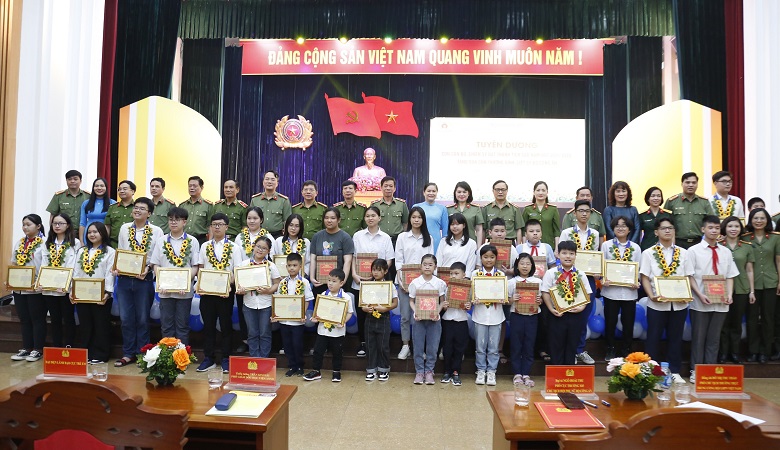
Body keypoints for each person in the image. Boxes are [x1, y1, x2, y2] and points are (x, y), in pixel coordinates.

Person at [639, 216, 695, 383]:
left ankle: (675, 371)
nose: (668, 231)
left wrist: (686, 295)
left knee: (676, 338)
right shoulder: (648, 253)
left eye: (670, 228)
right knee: (653, 338)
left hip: (679, 304)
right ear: (656, 232)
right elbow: (644, 277)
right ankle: (651, 370)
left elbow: (688, 276)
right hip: (656, 303)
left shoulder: (683, 253)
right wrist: (651, 296)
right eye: (664, 228)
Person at [688, 215, 739, 382]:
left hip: (721, 302)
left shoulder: (726, 252)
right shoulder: (693, 251)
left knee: (714, 338)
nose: (714, 231)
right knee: (699, 337)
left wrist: (729, 294)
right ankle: (696, 370)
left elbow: (730, 276)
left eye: (717, 228)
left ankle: (709, 370)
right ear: (703, 229)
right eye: (710, 228)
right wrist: (699, 294)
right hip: (700, 301)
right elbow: (689, 276)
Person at [113, 197, 164, 367]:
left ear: (149, 213)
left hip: (144, 278)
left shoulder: (156, 231)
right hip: (124, 279)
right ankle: (128, 353)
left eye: (142, 208)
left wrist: (148, 269)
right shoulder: (124, 228)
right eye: (135, 207)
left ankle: (143, 353)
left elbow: (156, 255)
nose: (137, 210)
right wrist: (118, 267)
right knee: (126, 318)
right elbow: (121, 250)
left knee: (142, 318)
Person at [196, 213, 242, 374]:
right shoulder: (204, 246)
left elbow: (236, 271)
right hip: (207, 293)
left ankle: (226, 358)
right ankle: (208, 358)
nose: (217, 227)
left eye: (220, 224)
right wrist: (201, 284)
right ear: (210, 227)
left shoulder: (234, 247)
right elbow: (201, 268)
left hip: (225, 293)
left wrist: (226, 285)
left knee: (225, 326)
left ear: (226, 227)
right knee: (208, 326)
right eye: (214, 224)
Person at [149, 207, 201, 345]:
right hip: (165, 292)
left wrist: (185, 283)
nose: (173, 222)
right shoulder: (161, 241)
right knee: (166, 326)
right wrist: (162, 282)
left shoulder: (192, 241)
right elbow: (155, 264)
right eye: (171, 219)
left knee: (182, 326)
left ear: (184, 222)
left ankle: (181, 354)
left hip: (184, 292)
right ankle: (167, 355)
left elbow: (195, 266)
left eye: (177, 219)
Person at [560, 199, 600, 365]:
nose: (584, 214)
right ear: (574, 213)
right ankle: (568, 350)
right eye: (581, 211)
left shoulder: (595, 234)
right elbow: (561, 254)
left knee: (584, 314)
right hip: (568, 276)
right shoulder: (567, 232)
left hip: (587, 278)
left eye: (587, 211)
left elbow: (595, 256)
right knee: (567, 313)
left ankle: (580, 350)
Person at [351, 206, 395, 357]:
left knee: (379, 312)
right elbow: (354, 257)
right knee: (363, 313)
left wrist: (378, 274)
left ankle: (380, 343)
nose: (370, 218)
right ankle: (363, 343)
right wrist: (354, 274)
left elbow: (389, 260)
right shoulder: (358, 236)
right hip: (360, 281)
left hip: (379, 283)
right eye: (368, 216)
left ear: (379, 218)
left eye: (373, 215)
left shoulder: (386, 238)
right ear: (364, 218)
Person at [541, 241, 593, 365]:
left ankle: (569, 372)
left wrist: (582, 308)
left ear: (575, 255)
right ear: (558, 255)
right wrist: (551, 309)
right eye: (564, 253)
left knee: (572, 345)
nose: (568, 256)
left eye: (571, 253)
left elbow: (587, 293)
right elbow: (545, 292)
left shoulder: (581, 274)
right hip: (556, 315)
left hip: (576, 315)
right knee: (556, 345)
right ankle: (556, 373)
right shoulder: (551, 273)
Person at [71, 222, 116, 364]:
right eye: (89, 232)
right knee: (85, 325)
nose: (92, 234)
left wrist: (107, 293)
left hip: (101, 295)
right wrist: (73, 290)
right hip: (83, 294)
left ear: (102, 233)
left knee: (100, 325)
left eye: (95, 232)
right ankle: (86, 353)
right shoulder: (82, 251)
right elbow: (76, 271)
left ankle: (101, 354)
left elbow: (110, 273)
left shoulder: (110, 251)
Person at [395, 206, 434, 359]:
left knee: (421, 316)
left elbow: (430, 261)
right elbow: (399, 260)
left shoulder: (428, 238)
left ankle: (419, 348)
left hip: (423, 284)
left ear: (423, 220)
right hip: (404, 283)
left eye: (419, 217)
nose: (416, 220)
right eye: (413, 217)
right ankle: (405, 345)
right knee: (405, 316)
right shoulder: (402, 237)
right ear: (409, 219)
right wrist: (401, 281)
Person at [600, 216, 642, 360]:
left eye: (624, 226)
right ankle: (610, 349)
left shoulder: (636, 248)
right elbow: (602, 266)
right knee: (610, 322)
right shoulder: (606, 245)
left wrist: (637, 281)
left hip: (629, 292)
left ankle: (627, 350)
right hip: (610, 292)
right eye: (617, 226)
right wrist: (603, 279)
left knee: (628, 323)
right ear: (613, 229)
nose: (620, 228)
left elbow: (638, 269)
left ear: (629, 229)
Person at [7, 214, 46, 362]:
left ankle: (38, 349)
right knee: (24, 318)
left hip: (35, 288)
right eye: (23, 224)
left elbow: (46, 265)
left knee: (37, 318)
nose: (25, 227)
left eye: (28, 224)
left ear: (38, 226)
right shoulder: (20, 242)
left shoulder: (44, 243)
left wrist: (39, 283)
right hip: (19, 287)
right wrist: (11, 280)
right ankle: (26, 347)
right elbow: (14, 263)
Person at [304, 269, 354, 382]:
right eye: (329, 280)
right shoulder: (323, 295)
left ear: (341, 283)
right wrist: (315, 318)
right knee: (318, 351)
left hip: (338, 332)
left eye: (334, 281)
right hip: (322, 330)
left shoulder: (346, 297)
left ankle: (336, 372)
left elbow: (350, 313)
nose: (330, 283)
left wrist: (343, 321)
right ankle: (316, 371)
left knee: (337, 352)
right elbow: (319, 311)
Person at [743, 208, 780, 363]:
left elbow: (778, 261)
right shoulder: (745, 238)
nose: (759, 221)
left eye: (762, 218)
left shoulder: (775, 238)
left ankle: (766, 351)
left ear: (767, 220)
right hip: (750, 284)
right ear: (751, 220)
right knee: (752, 319)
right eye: (755, 218)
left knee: (768, 318)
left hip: (771, 282)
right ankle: (753, 351)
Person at [517, 218, 556, 362]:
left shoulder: (547, 247)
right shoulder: (520, 248)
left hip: (543, 290)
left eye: (538, 231)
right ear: (525, 234)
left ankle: (542, 349)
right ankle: (526, 350)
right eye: (531, 231)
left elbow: (552, 267)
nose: (535, 234)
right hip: (525, 291)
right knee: (526, 322)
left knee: (544, 321)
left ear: (541, 233)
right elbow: (516, 269)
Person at [237, 236, 281, 358]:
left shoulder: (271, 266)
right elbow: (239, 284)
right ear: (254, 247)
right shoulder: (244, 264)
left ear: (268, 251)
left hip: (266, 304)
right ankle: (254, 359)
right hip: (249, 303)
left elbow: (277, 283)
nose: (260, 250)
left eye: (264, 248)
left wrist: (268, 290)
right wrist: (240, 290)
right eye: (258, 246)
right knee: (252, 333)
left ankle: (264, 360)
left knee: (265, 333)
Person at [719, 216, 755, 363]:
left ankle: (734, 353)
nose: (733, 229)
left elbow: (749, 270)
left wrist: (752, 291)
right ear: (724, 228)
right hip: (721, 289)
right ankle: (723, 353)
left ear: (741, 229)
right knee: (723, 323)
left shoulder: (747, 247)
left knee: (736, 322)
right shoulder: (718, 245)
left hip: (741, 289)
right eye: (730, 226)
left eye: (736, 226)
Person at [41, 213, 80, 347]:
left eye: (61, 223)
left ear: (67, 225)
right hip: (50, 287)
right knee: (55, 318)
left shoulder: (75, 243)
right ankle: (57, 346)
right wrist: (42, 282)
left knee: (68, 317)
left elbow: (75, 265)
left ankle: (69, 344)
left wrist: (68, 285)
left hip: (66, 288)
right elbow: (44, 264)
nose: (57, 226)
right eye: (55, 223)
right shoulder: (48, 243)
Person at [272, 252, 313, 377]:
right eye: (289, 265)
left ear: (300, 266)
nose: (292, 268)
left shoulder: (304, 282)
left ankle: (300, 366)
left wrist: (302, 313)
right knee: (287, 344)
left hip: (297, 321)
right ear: (286, 267)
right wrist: (276, 314)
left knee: (297, 344)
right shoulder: (282, 282)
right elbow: (278, 300)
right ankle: (292, 366)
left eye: (295, 265)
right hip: (284, 320)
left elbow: (307, 300)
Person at [471, 245, 507, 386]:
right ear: (481, 258)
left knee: (493, 347)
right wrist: (473, 299)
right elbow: (471, 294)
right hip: (480, 315)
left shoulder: (501, 275)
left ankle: (492, 371)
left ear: (496, 258)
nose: (489, 260)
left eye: (492, 257)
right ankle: (481, 370)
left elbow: (505, 295)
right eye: (485, 257)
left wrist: (503, 298)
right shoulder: (475, 274)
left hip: (496, 316)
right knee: (480, 346)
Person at [409, 254, 447, 385]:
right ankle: (419, 372)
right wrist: (416, 312)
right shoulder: (415, 283)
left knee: (433, 347)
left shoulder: (439, 283)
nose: (427, 267)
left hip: (434, 320)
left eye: (430, 265)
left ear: (435, 267)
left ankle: (429, 371)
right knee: (418, 347)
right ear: (420, 266)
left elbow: (442, 302)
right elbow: (411, 301)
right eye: (424, 264)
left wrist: (437, 312)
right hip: (419, 320)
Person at [507, 253, 543, 387]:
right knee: (516, 344)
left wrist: (539, 300)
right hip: (516, 316)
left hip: (532, 317)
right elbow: (506, 300)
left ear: (532, 266)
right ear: (517, 266)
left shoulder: (538, 282)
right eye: (522, 263)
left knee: (529, 344)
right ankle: (517, 373)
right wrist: (512, 299)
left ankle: (526, 374)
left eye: (528, 264)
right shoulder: (511, 282)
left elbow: (541, 300)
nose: (525, 266)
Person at [361, 258, 398, 381]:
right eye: (373, 270)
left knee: (383, 345)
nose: (375, 272)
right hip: (369, 318)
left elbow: (395, 303)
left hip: (384, 318)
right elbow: (362, 304)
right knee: (370, 345)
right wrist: (365, 308)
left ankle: (384, 369)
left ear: (385, 271)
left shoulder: (390, 286)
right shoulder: (367, 285)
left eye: (378, 270)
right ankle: (371, 369)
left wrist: (385, 308)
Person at [664, 172, 716, 249]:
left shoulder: (704, 202)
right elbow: (664, 223)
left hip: (699, 243)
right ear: (682, 184)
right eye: (687, 182)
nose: (691, 185)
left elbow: (711, 222)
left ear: (697, 184)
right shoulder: (672, 202)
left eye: (694, 183)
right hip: (677, 243)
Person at [309, 208, 355, 295]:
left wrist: (342, 281)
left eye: (333, 218)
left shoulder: (345, 237)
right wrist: (312, 278)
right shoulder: (317, 236)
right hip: (319, 282)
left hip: (337, 283)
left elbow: (348, 261)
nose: (329, 220)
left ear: (339, 220)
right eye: (326, 218)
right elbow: (313, 259)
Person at [440, 261, 470, 386]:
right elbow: (442, 304)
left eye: (456, 273)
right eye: (451, 273)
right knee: (447, 347)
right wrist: (444, 306)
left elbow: (469, 304)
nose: (453, 276)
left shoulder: (468, 289)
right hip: (448, 320)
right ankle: (447, 371)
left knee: (459, 348)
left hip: (461, 321)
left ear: (464, 275)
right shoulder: (446, 288)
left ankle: (456, 372)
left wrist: (468, 305)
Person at [249, 170, 292, 238]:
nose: (269, 182)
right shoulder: (255, 199)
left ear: (277, 183)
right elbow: (250, 218)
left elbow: (287, 221)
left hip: (277, 236)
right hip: (258, 235)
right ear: (263, 182)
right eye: (267, 179)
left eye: (272, 180)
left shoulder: (284, 200)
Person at [521, 181, 560, 249]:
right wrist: (524, 247)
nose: (540, 193)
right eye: (538, 190)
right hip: (531, 246)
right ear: (534, 192)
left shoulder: (553, 209)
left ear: (547, 192)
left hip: (549, 246)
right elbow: (524, 231)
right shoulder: (528, 209)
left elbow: (556, 231)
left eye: (543, 190)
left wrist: (556, 249)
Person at [412, 182, 449, 252]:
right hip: (418, 240)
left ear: (437, 193)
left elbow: (445, 230)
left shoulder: (442, 208)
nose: (431, 193)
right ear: (424, 192)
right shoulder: (416, 207)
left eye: (433, 191)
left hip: (436, 242)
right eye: (429, 191)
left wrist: (444, 245)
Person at [372, 176, 409, 242]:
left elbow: (405, 223)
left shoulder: (402, 204)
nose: (388, 188)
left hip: (397, 240)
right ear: (381, 188)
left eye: (391, 186)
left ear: (394, 188)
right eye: (385, 186)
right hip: (379, 240)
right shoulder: (375, 205)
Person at [179, 176, 214, 245]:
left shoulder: (208, 205)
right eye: (190, 186)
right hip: (184, 239)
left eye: (195, 186)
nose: (192, 188)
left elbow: (211, 226)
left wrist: (210, 243)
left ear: (201, 188)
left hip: (200, 240)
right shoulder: (182, 205)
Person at [79, 178, 115, 242]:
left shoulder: (113, 203)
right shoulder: (86, 203)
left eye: (102, 186)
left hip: (105, 235)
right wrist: (81, 241)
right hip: (89, 234)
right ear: (93, 188)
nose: (99, 188)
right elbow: (82, 223)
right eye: (96, 186)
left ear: (106, 188)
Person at [638, 187, 674, 251]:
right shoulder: (642, 215)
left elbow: (672, 233)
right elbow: (639, 234)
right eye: (653, 196)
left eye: (658, 196)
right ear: (648, 198)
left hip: (664, 248)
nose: (656, 198)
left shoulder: (668, 214)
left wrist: (672, 248)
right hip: (647, 247)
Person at [105, 180, 136, 248]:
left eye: (125, 189)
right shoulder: (112, 207)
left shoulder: (137, 208)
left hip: (132, 244)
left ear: (132, 191)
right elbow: (107, 226)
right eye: (119, 189)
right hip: (114, 244)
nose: (121, 191)